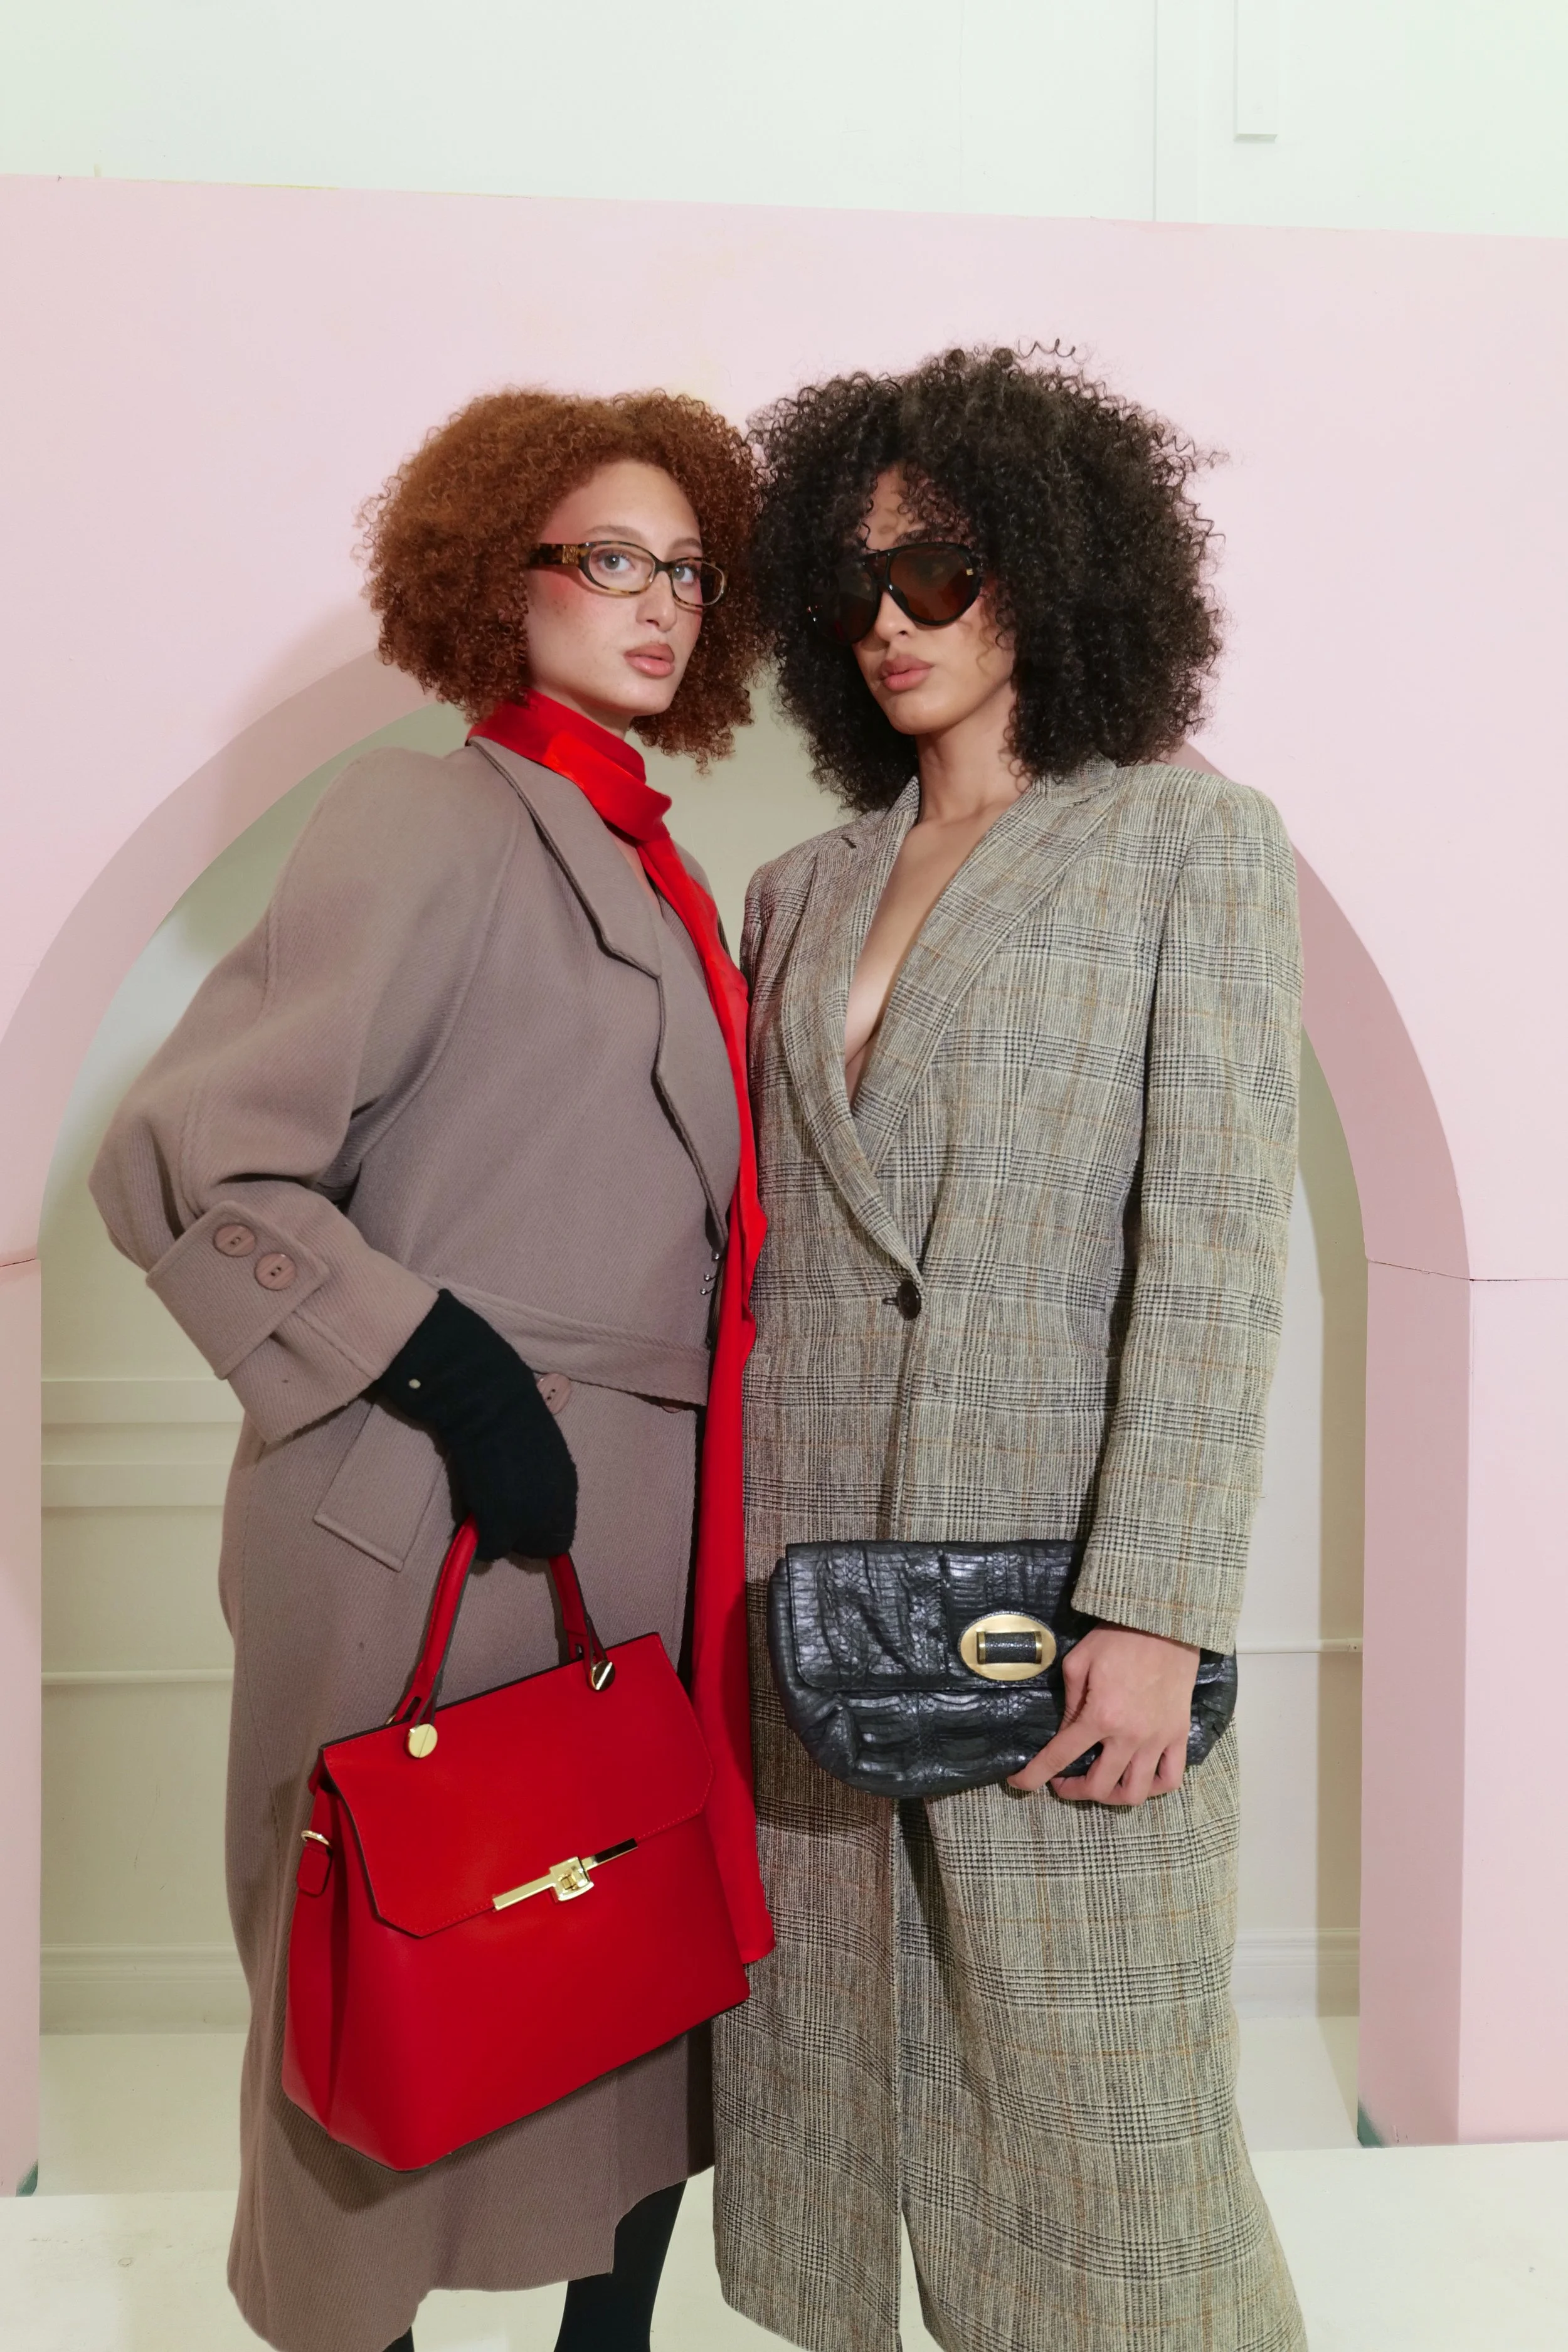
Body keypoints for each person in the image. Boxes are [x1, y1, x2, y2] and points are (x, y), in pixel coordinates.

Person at [90, 385, 771, 2352]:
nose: (658, 604)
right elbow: (194, 1152)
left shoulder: (654, 863)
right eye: (609, 559)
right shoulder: (421, 810)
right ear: (502, 574)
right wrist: (442, 1364)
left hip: (628, 1528)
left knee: (616, 1961)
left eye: (687, 572)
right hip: (419, 1501)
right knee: (384, 1967)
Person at [712, 346, 1306, 2352]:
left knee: (1100, 2129)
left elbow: (1218, 1252)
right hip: (810, 1582)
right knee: (837, 2090)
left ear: (1049, 572)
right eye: (854, 582)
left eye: (939, 573)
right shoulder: (791, 892)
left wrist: (1153, 1603)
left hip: (1050, 1595)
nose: (889, 620)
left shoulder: (1179, 848)